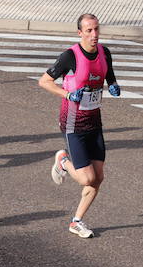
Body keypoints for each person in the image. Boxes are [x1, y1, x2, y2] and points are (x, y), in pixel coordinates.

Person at [38, 14, 120, 238]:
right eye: (89, 31)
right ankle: (63, 161)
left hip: (94, 120)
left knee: (98, 177)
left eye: (96, 30)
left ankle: (76, 221)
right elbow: (43, 81)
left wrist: (113, 85)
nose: (94, 35)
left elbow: (109, 75)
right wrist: (67, 94)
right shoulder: (70, 56)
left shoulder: (104, 53)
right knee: (86, 178)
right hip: (73, 122)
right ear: (80, 33)